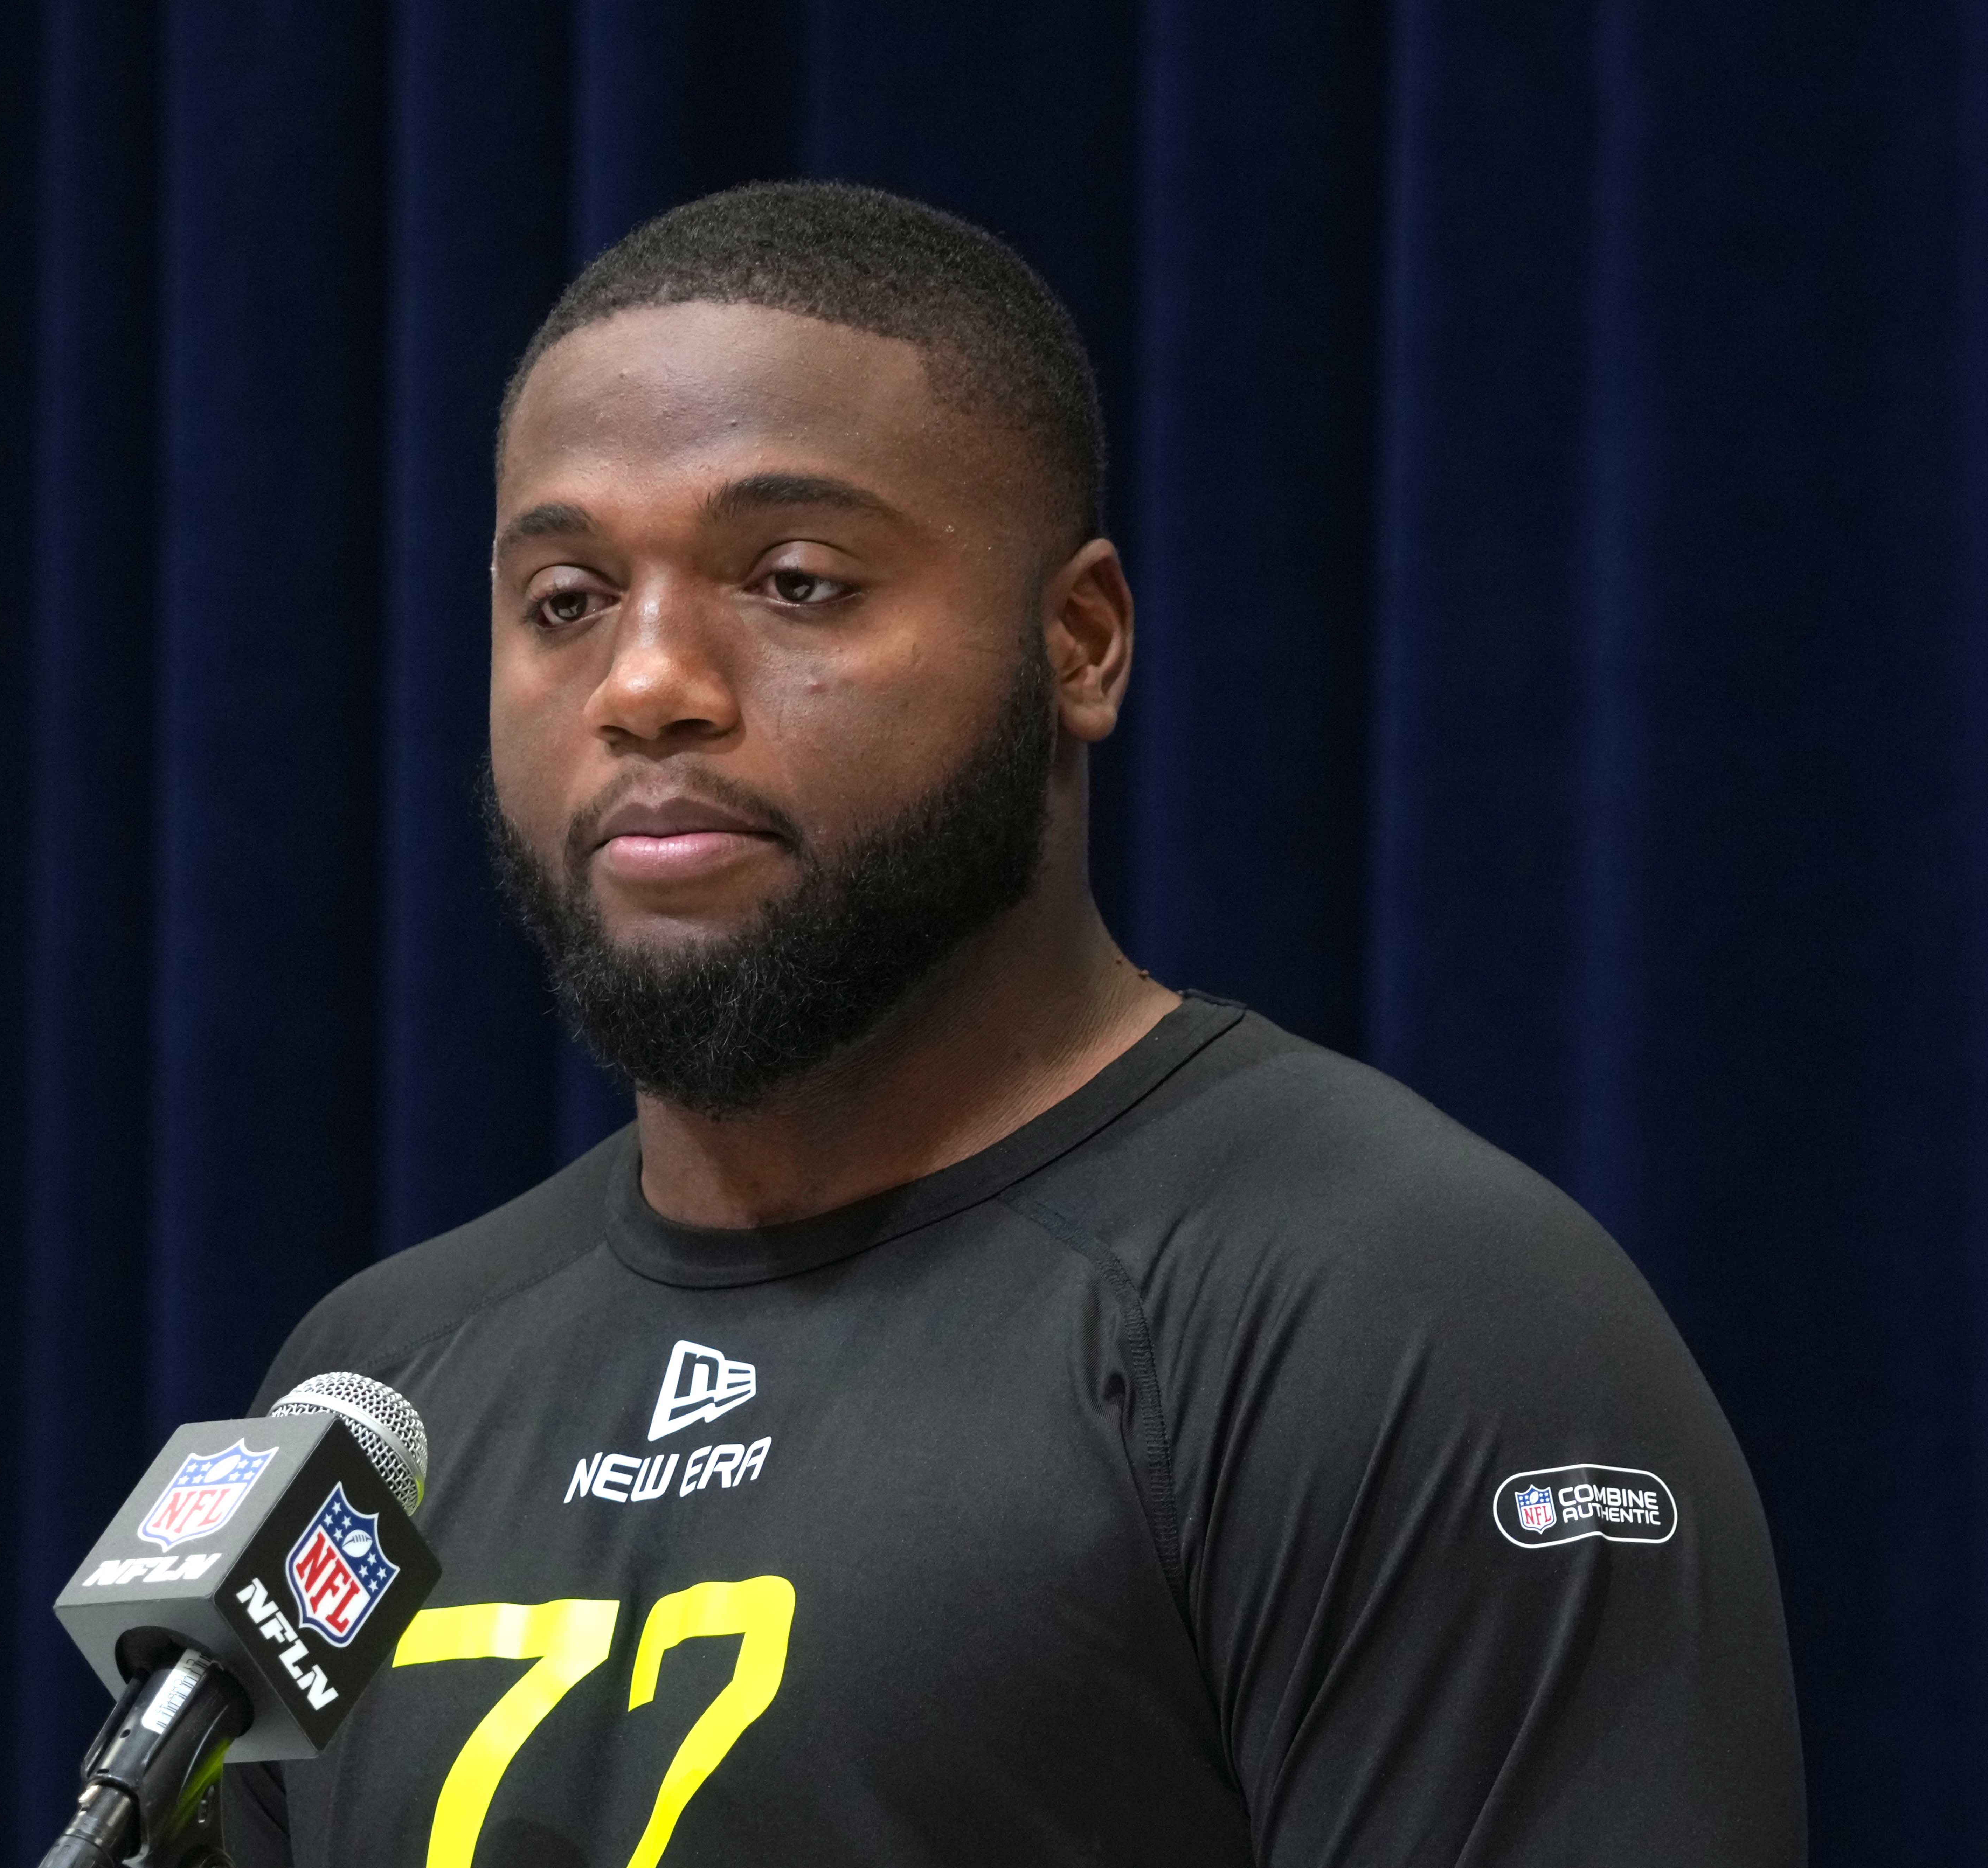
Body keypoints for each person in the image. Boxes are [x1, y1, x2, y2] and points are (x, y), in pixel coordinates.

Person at [224, 180, 1803, 1867]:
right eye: (565, 598)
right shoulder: (373, 1384)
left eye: (797, 580)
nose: (646, 680)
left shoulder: (1400, 1310)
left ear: (1082, 642)